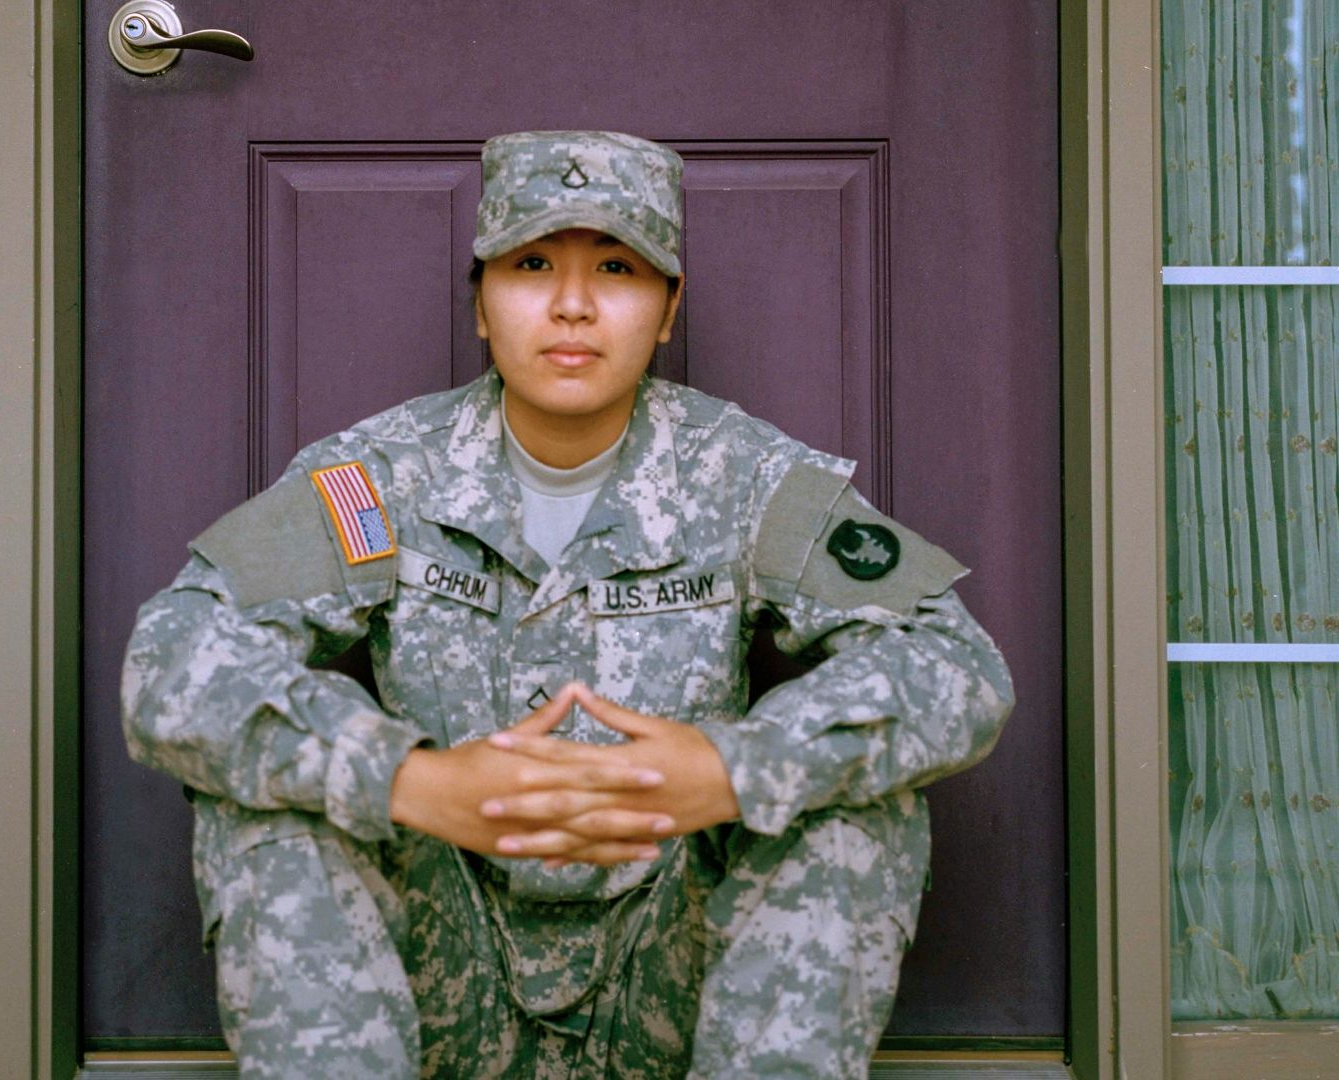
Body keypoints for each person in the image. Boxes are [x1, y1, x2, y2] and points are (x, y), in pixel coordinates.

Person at [121, 130, 1015, 1079]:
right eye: (533, 263)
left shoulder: (750, 478)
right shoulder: (380, 475)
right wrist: (412, 782)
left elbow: (956, 664)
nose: (574, 305)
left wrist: (733, 768)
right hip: (437, 964)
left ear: (668, 311)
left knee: (855, 815)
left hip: (673, 963)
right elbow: (172, 658)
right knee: (264, 807)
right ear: (480, 303)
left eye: (620, 269)